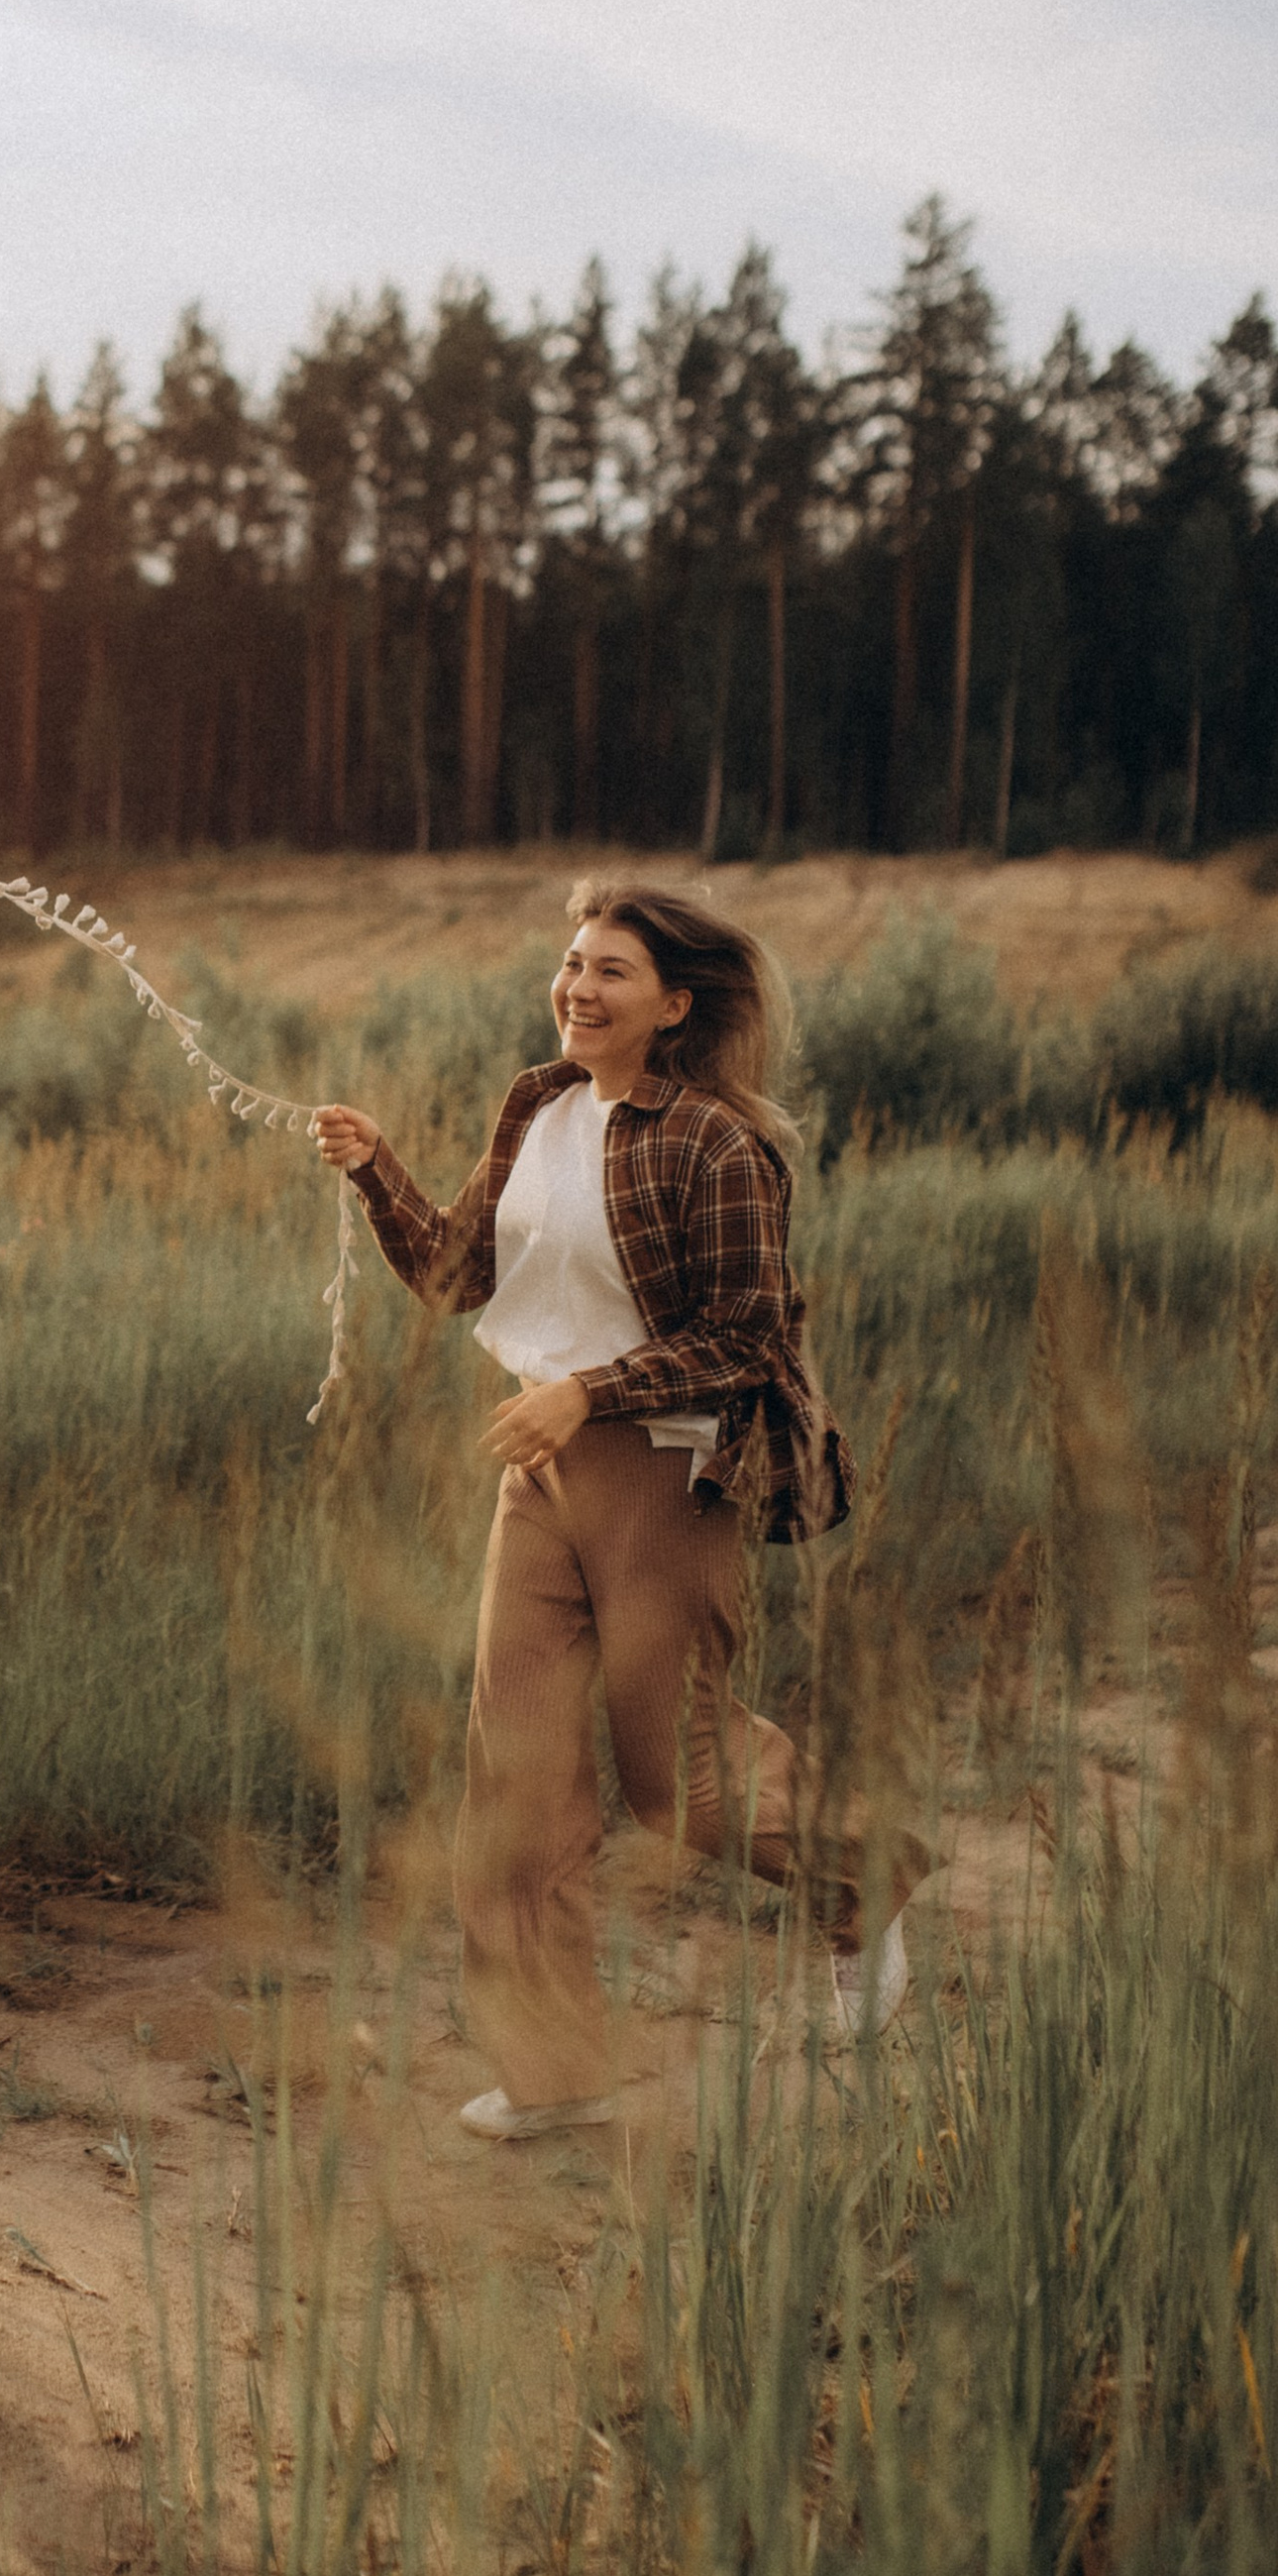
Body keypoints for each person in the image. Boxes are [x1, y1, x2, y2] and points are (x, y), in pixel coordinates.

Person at [312, 883, 926, 2139]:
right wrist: (378, 1172)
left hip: (668, 1473)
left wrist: (585, 1393)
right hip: (539, 1472)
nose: (578, 988)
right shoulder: (536, 1105)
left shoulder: (716, 1144)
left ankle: (866, 1878)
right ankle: (554, 2073)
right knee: (517, 1776)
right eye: (571, 962)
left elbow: (744, 1335)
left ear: (675, 1005)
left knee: (679, 1782)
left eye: (611, 972)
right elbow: (457, 1275)